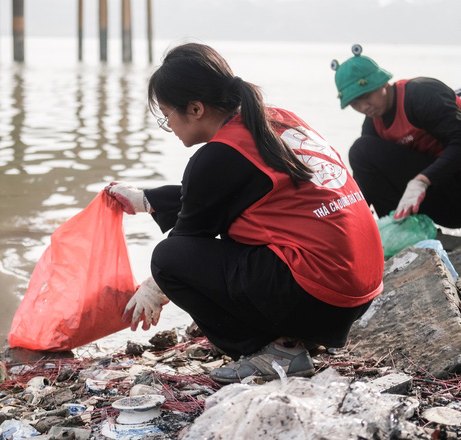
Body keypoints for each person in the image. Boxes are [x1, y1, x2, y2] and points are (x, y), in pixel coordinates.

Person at [104, 43, 384, 383]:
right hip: (360, 287)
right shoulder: (278, 120)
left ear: (194, 109)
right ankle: (296, 337)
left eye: (166, 116)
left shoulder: (219, 156)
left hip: (322, 293)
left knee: (167, 259)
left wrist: (154, 284)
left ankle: (276, 352)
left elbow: (188, 239)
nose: (169, 126)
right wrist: (147, 200)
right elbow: (228, 196)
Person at [332, 44, 461, 228]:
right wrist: (353, 215)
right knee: (361, 154)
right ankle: (399, 229)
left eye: (367, 96)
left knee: (362, 150)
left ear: (382, 82)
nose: (364, 107)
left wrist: (422, 181)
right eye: (355, 104)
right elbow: (366, 178)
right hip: (440, 200)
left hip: (451, 187)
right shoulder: (373, 123)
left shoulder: (421, 95)